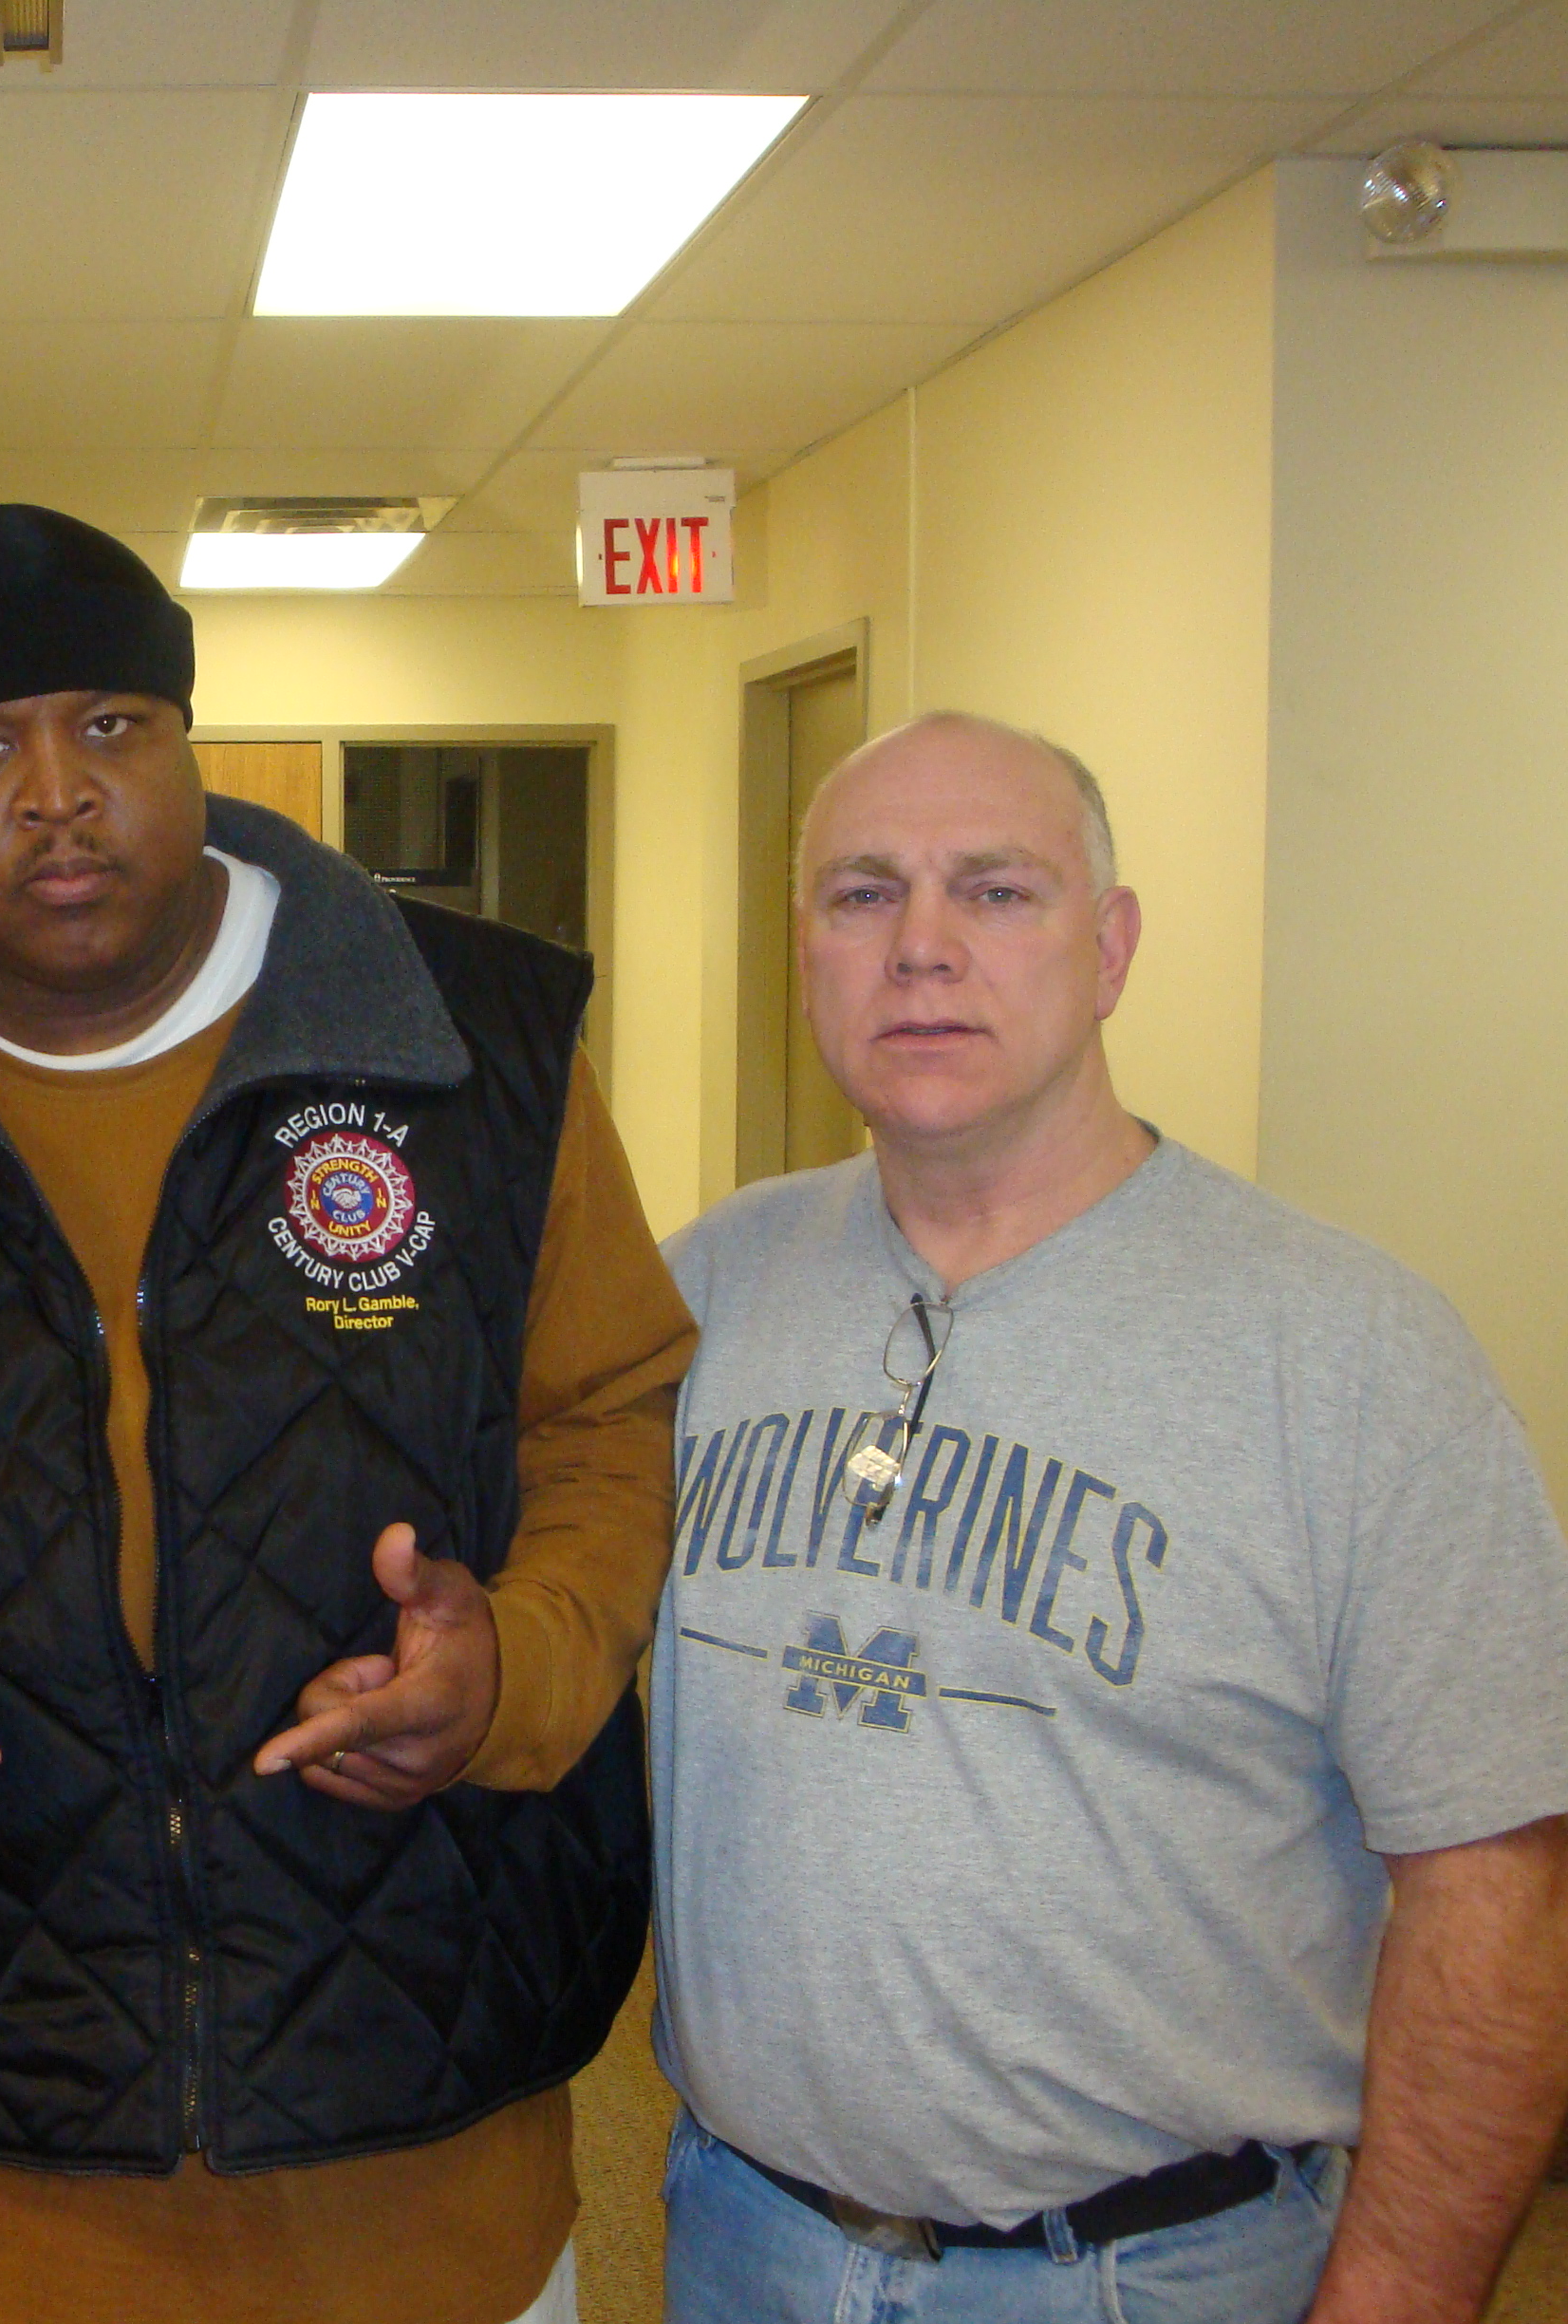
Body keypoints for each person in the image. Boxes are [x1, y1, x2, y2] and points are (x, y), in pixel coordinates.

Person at [0, 505, 696, 2324]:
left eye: (114, 726)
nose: (58, 792)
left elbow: (605, 1425)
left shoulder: (475, 1055)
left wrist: (513, 1669)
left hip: (430, 2190)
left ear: (190, 746)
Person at [653, 711, 1568, 2322]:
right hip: (740, 2237)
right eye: (863, 895)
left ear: (1114, 947)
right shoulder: (707, 1287)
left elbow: (1499, 1886)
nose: (922, 949)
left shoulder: (1347, 1353)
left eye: (996, 892)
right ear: (803, 953)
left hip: (1150, 2277)